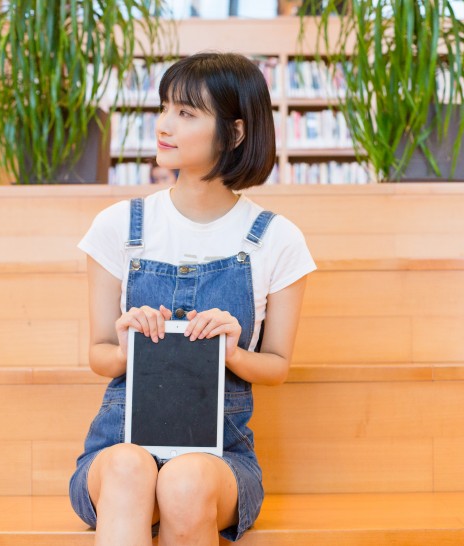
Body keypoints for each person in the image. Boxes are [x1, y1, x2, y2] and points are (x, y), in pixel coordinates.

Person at [69, 52, 316, 545]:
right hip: (120, 443)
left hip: (220, 458)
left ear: (236, 132)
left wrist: (234, 352)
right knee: (126, 467)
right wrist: (128, 344)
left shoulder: (276, 239)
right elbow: (99, 354)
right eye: (165, 107)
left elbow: (278, 366)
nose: (164, 125)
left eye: (186, 113)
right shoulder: (119, 226)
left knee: (185, 478)